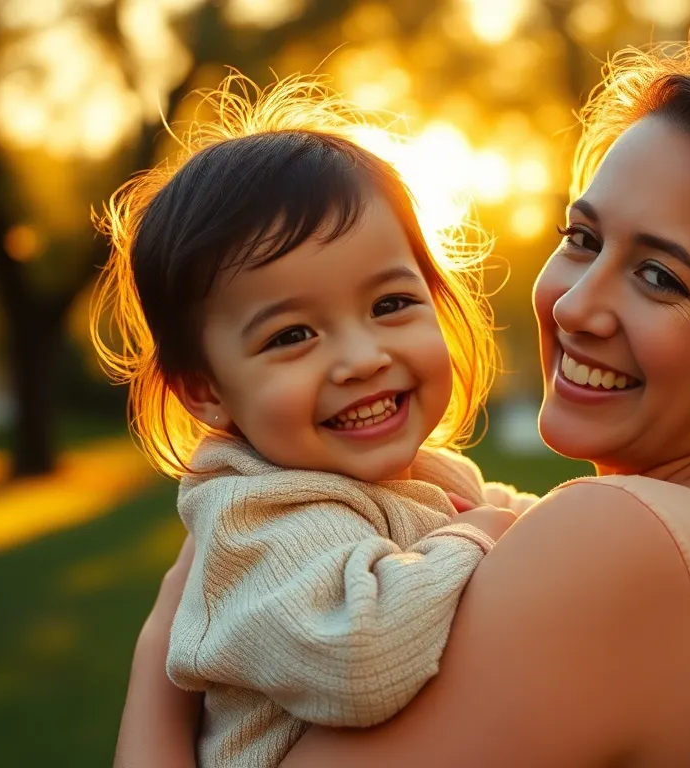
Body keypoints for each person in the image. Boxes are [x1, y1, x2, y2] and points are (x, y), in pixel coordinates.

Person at [115, 37, 690, 767]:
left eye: (659, 275)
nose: (572, 306)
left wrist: (162, 652)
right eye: (582, 238)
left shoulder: (618, 541)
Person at [92, 75, 535, 768]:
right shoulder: (260, 520)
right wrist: (476, 537)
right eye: (292, 335)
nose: (361, 359)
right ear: (207, 390)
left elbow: (532, 525)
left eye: (390, 305)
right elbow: (363, 657)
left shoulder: (427, 476)